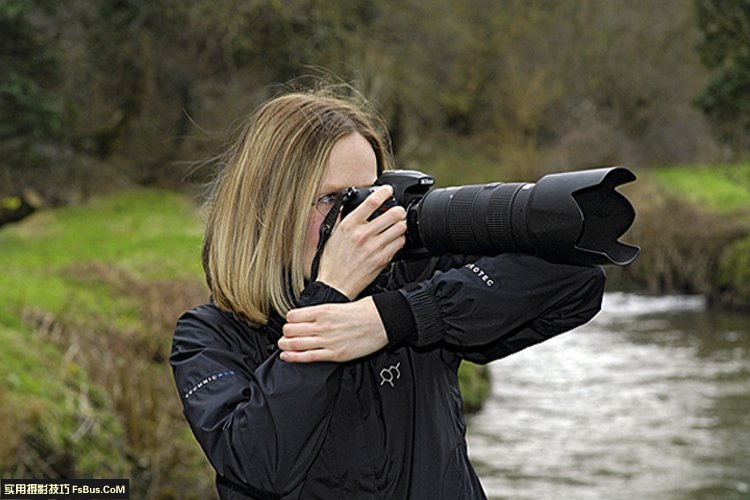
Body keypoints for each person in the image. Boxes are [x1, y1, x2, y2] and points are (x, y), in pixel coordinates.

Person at [170, 88, 606, 500]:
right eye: (331, 198)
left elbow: (576, 278)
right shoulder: (209, 337)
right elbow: (259, 465)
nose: (360, 217)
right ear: (269, 207)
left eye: (367, 194)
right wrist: (331, 294)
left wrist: (396, 317)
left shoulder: (409, 278)